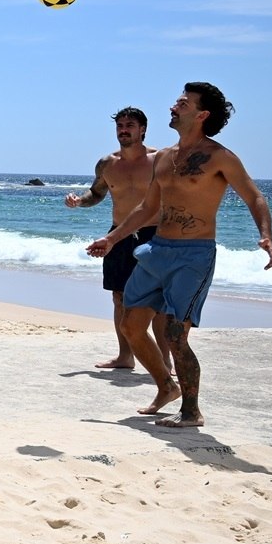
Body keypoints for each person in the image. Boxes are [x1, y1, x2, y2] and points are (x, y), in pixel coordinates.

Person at [87, 83, 272, 429]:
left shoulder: (219, 157)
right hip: (158, 248)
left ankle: (191, 411)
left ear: (201, 115)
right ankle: (166, 387)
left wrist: (265, 235)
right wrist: (112, 238)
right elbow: (147, 207)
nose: (174, 106)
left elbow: (255, 197)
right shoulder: (164, 157)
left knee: (175, 334)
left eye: (183, 103)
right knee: (131, 325)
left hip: (193, 255)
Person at [64, 107, 171, 374]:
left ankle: (165, 361)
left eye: (130, 125)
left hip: (154, 234)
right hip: (119, 235)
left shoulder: (160, 159)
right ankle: (126, 356)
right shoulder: (107, 164)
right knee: (119, 297)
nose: (124, 129)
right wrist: (79, 202)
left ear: (142, 129)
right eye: (120, 125)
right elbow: (97, 193)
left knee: (158, 302)